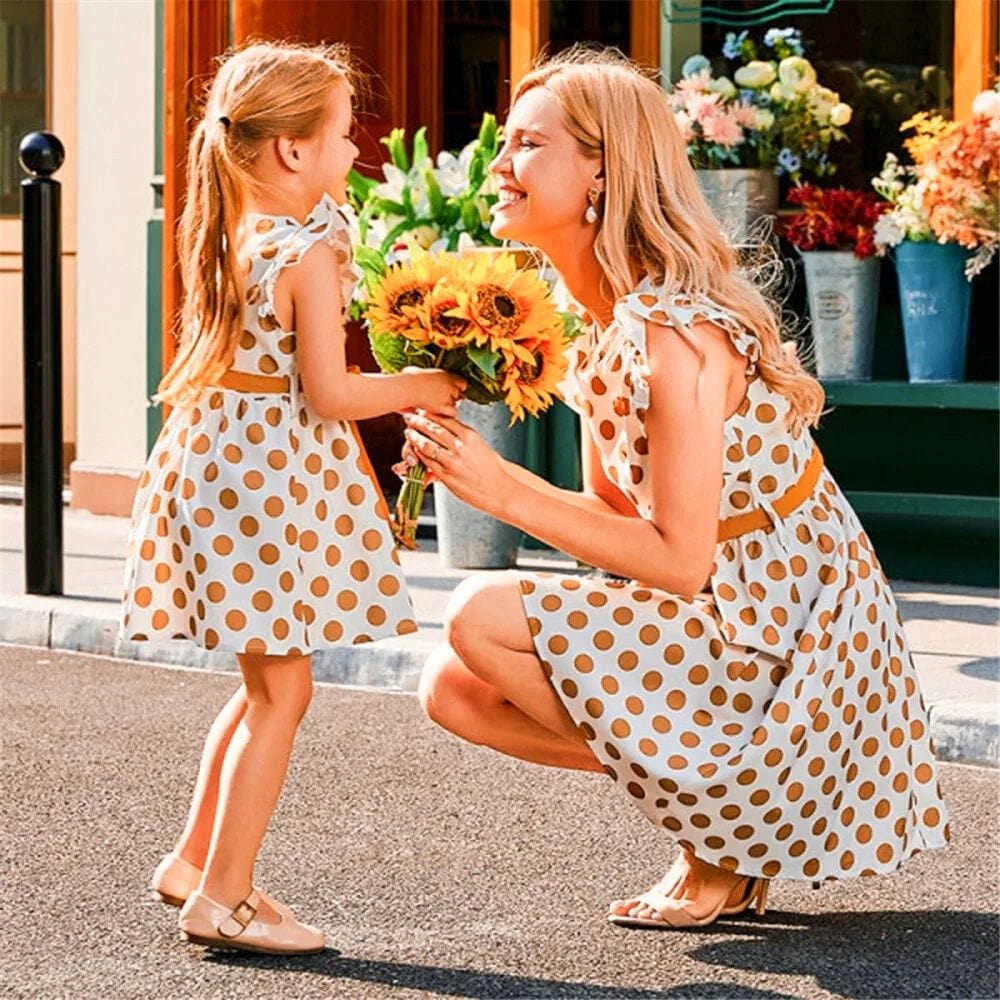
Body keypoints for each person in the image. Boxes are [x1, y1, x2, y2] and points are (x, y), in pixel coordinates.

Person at [409, 47, 949, 930]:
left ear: (603, 171)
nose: (498, 168)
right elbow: (619, 520)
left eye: (527, 146)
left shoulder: (676, 333)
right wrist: (466, 463)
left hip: (794, 638)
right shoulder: (597, 329)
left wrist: (503, 490)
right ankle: (744, 810)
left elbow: (679, 559)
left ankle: (729, 832)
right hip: (729, 612)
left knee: (478, 614)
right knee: (452, 685)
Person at [119, 40, 464, 954]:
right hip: (261, 488)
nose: (356, 150)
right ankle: (224, 897)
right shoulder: (304, 253)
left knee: (259, 682)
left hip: (219, 472)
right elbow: (333, 394)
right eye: (346, 135)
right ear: (292, 152)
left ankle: (196, 861)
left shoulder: (235, 233)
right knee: (284, 694)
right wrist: (425, 386)